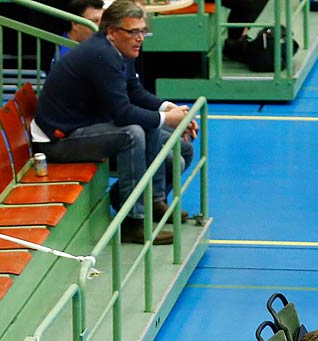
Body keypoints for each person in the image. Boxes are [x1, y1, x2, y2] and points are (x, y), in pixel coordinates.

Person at [32, 1, 196, 246]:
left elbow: (135, 91)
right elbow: (122, 114)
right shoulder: (100, 55)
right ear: (111, 31)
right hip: (58, 139)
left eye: (143, 31)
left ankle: (152, 201)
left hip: (89, 125)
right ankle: (132, 222)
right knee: (133, 133)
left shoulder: (121, 49)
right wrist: (166, 119)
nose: (140, 38)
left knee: (181, 148)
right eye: (133, 32)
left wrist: (169, 108)